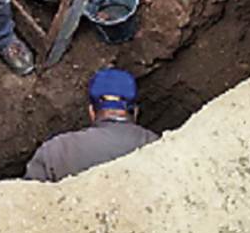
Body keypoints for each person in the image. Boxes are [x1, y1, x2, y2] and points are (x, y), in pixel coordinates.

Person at [24, 68, 158, 182]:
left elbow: (26, 197)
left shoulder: (54, 151)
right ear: (136, 111)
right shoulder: (156, 146)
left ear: (91, 111)